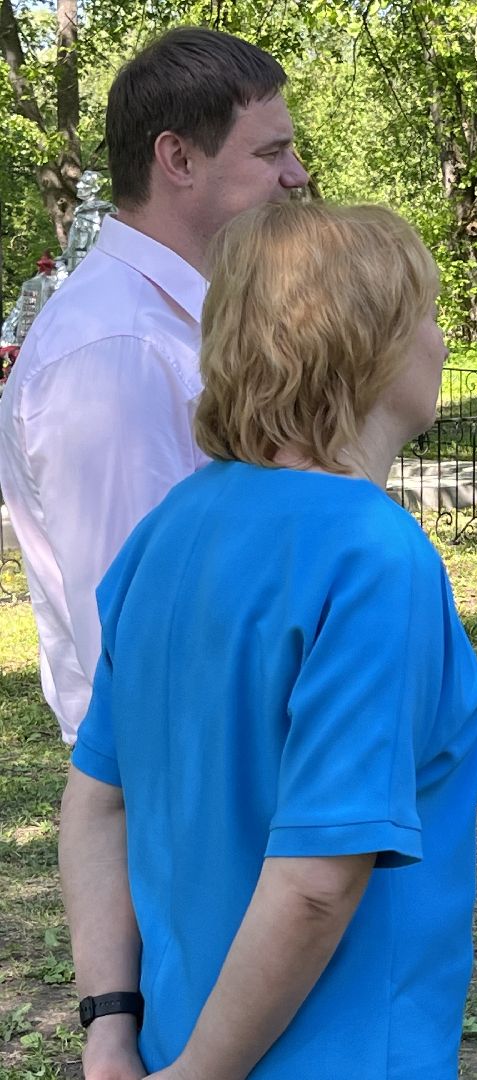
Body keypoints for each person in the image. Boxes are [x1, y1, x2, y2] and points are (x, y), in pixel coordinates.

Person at [57, 201, 477, 1079]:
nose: (442, 343)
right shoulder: (374, 555)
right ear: (367, 345)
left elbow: (97, 802)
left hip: (167, 1044)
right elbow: (318, 878)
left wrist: (111, 1027)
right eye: (427, 314)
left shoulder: (167, 529)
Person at [0, 27, 308, 745]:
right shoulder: (116, 352)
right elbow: (144, 641)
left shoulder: (175, 325)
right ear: (179, 159)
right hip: (183, 775)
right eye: (270, 153)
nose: (296, 176)